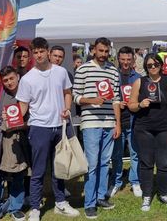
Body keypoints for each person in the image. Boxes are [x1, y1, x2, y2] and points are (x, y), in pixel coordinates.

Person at [16, 37, 78, 221]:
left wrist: (67, 108)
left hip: (60, 126)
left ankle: (60, 203)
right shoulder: (27, 79)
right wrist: (11, 117)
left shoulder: (60, 72)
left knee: (59, 167)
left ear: (48, 52)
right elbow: (23, 106)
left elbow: (68, 92)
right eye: (35, 52)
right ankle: (35, 208)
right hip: (39, 128)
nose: (39, 55)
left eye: (41, 51)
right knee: (39, 171)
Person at [73, 37, 122, 219]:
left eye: (106, 51)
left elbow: (116, 99)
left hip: (109, 123)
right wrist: (91, 100)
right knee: (92, 164)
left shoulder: (113, 70)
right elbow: (76, 96)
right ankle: (89, 203)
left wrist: (117, 123)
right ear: (94, 50)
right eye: (100, 51)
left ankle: (101, 196)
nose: (103, 54)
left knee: (104, 162)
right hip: (91, 122)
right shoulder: (83, 69)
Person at [128, 53, 167, 211]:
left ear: (161, 65)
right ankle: (147, 196)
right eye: (150, 65)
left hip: (163, 127)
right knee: (146, 163)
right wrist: (140, 104)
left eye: (156, 64)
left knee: (164, 163)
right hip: (143, 128)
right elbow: (130, 104)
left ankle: (163, 193)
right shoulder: (140, 82)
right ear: (146, 66)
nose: (153, 67)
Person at [0, 66, 31, 221]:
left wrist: (19, 125)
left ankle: (15, 207)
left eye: (11, 78)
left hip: (19, 140)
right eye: (5, 80)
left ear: (18, 77)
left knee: (18, 174)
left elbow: (33, 120)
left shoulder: (27, 93)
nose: (9, 82)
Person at [108, 46, 142, 198]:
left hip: (134, 120)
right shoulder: (112, 76)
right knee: (117, 154)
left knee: (135, 153)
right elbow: (107, 98)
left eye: (129, 59)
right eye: (123, 60)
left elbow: (142, 98)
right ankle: (116, 182)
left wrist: (134, 102)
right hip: (118, 121)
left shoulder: (138, 77)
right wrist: (117, 103)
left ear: (133, 59)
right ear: (118, 60)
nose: (126, 62)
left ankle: (135, 181)